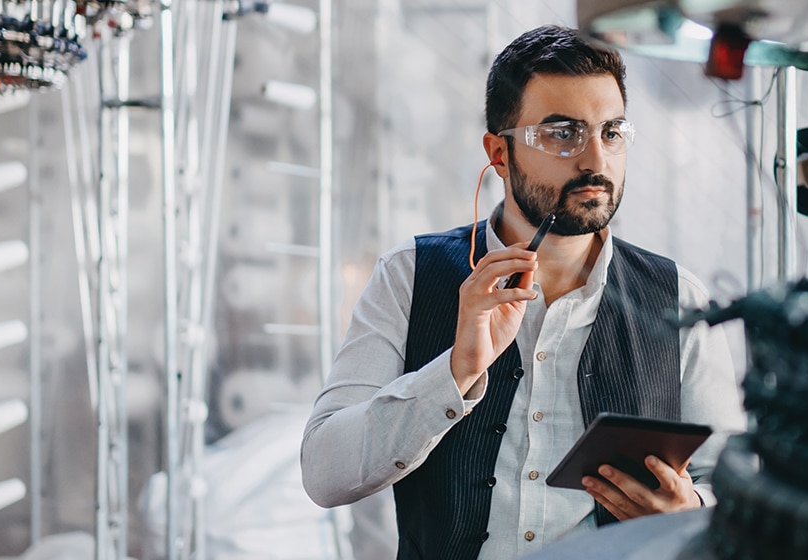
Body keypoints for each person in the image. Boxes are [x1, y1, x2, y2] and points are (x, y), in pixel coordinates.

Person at [300, 24, 744, 560]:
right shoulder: (409, 276)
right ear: (499, 153)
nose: (595, 162)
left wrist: (691, 511)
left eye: (611, 132)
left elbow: (738, 490)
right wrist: (456, 371)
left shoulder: (679, 298)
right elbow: (324, 474)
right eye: (562, 133)